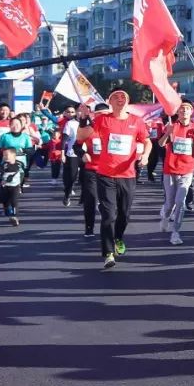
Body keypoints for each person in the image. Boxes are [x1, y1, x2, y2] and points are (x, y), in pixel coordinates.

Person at [76, 89, 151, 269]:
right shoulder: (103, 119)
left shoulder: (136, 121)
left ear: (128, 101)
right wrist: (83, 119)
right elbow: (81, 137)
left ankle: (118, 238)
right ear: (110, 101)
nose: (120, 100)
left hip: (127, 174)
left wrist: (146, 156)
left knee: (124, 214)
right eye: (115, 97)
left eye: (123, 97)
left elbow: (147, 141)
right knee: (108, 215)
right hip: (106, 174)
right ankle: (108, 252)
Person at [158, 100, 194, 246]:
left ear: (191, 112)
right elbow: (160, 144)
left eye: (187, 109)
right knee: (170, 203)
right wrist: (167, 133)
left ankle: (175, 232)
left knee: (180, 203)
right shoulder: (172, 126)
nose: (184, 111)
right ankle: (165, 217)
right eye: (181, 109)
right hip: (170, 170)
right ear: (177, 112)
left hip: (187, 171)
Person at [77, 102, 109, 238]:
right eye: (99, 115)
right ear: (95, 116)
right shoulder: (89, 129)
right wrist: (83, 154)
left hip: (109, 171)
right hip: (92, 170)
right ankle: (89, 227)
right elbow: (76, 146)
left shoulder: (114, 129)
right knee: (90, 198)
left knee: (108, 202)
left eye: (105, 115)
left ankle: (109, 227)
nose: (102, 118)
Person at [60, 105, 81, 206]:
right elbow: (64, 139)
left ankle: (87, 198)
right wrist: (62, 153)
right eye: (79, 111)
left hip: (88, 153)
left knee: (89, 177)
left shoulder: (91, 123)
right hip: (73, 153)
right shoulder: (70, 123)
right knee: (72, 177)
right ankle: (67, 193)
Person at [0, 147, 24, 226]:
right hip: (5, 186)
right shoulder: (3, 165)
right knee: (5, 201)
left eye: (6, 155)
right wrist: (1, 180)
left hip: (15, 186)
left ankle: (14, 216)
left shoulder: (19, 164)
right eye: (4, 155)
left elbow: (22, 174)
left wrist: (20, 184)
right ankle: (7, 211)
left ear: (13, 155)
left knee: (14, 201)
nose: (5, 157)